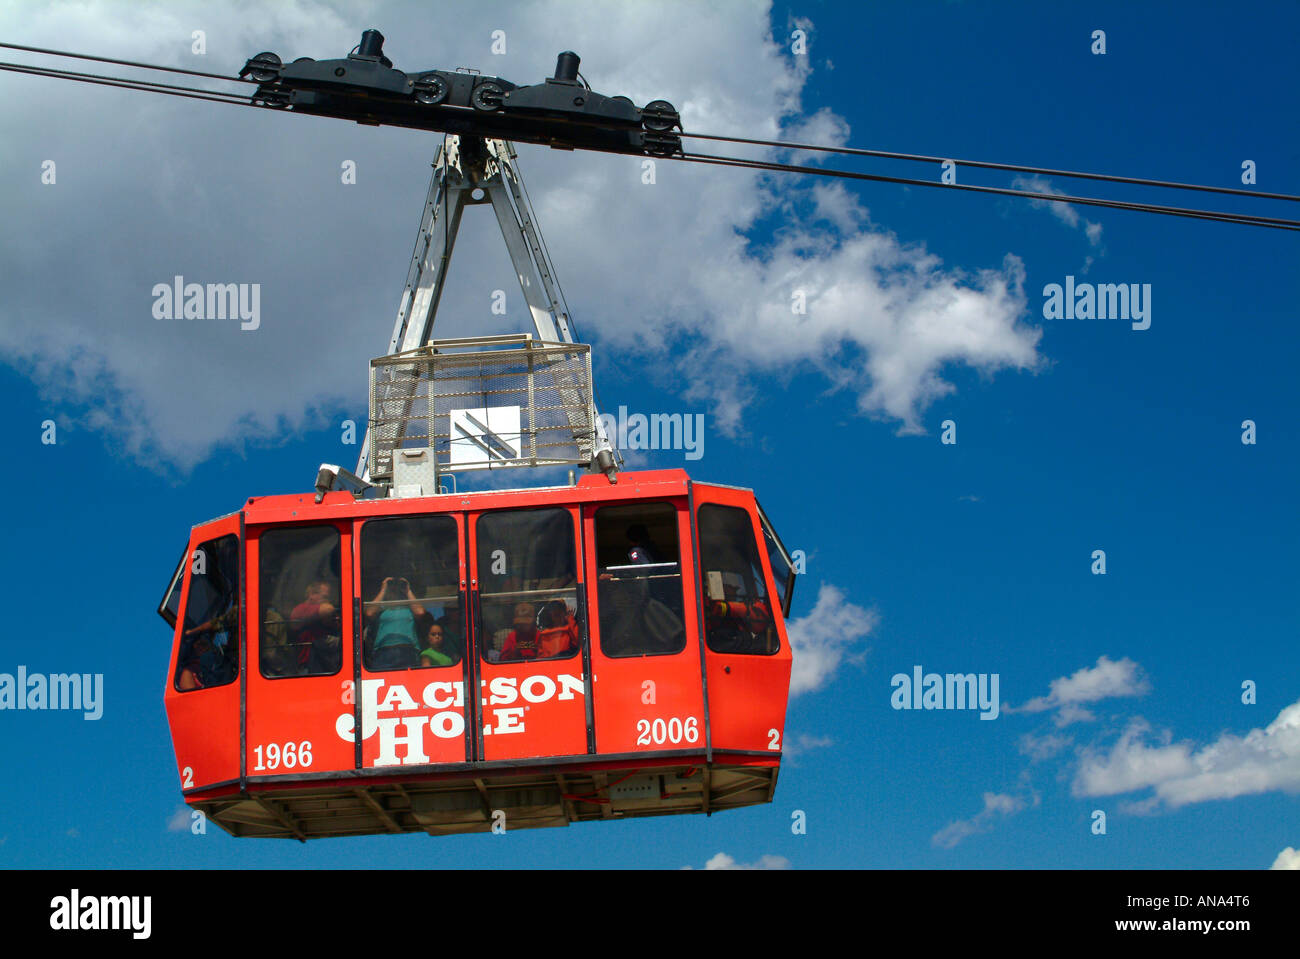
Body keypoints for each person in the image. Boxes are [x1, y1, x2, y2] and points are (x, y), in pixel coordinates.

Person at [365, 576, 425, 670]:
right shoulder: (381, 611)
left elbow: (420, 612)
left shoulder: (410, 609)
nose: (395, 590)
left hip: (408, 651)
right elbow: (369, 613)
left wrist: (408, 591)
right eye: (391, 588)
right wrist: (383, 590)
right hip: (383, 652)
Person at [291, 581, 341, 674]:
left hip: (325, 662)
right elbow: (328, 609)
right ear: (312, 595)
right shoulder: (301, 609)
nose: (328, 600)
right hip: (309, 665)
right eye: (325, 597)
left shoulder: (317, 611)